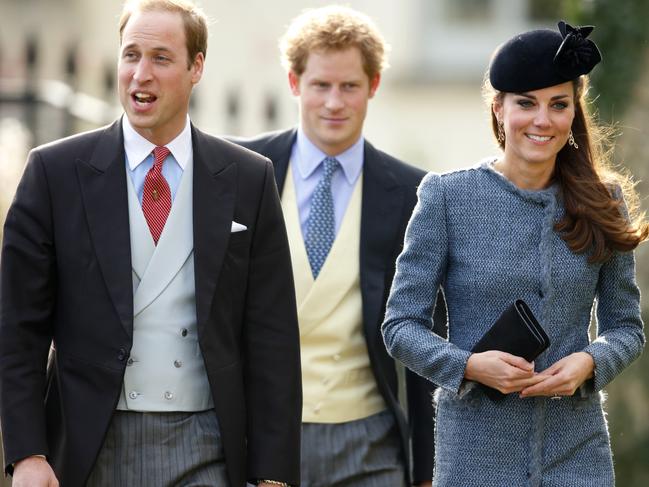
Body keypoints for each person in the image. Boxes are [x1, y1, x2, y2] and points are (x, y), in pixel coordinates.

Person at [0, 1, 301, 486]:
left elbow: (272, 338)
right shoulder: (53, 173)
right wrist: (28, 454)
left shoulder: (247, 177)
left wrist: (273, 474)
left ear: (196, 66)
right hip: (88, 445)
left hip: (209, 443)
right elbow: (17, 330)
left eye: (161, 57)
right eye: (131, 55)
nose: (141, 74)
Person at [382, 21, 647, 486]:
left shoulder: (603, 201)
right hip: (475, 459)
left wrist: (591, 362)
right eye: (526, 103)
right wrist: (467, 365)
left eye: (558, 105)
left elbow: (625, 327)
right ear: (499, 109)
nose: (542, 120)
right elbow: (400, 326)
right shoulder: (447, 198)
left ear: (573, 114)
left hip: (579, 455)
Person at [231, 6, 445, 486]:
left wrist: (428, 471)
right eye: (321, 86)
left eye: (349, 86)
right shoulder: (239, 171)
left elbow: (428, 335)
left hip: (370, 446)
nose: (334, 103)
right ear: (294, 83)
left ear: (373, 86)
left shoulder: (412, 192)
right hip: (259, 440)